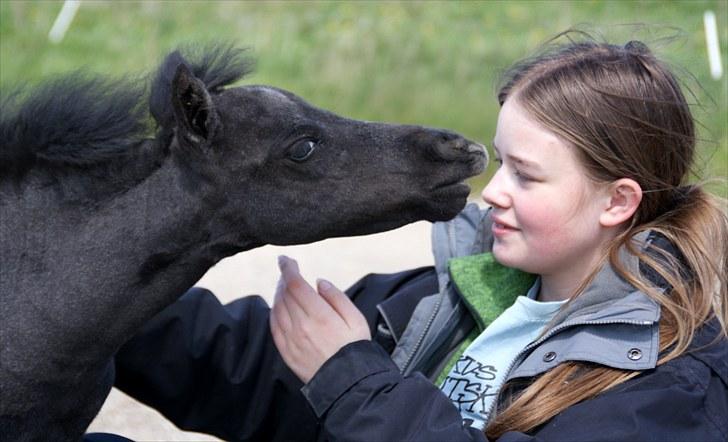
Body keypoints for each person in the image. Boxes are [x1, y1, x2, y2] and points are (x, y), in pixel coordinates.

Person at [113, 36, 727, 441]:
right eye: (501, 165)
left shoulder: (670, 388)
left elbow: (350, 383)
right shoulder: (470, 292)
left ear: (617, 201)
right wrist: (102, 304)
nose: (492, 193)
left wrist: (353, 380)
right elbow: (252, 369)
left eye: (528, 175)